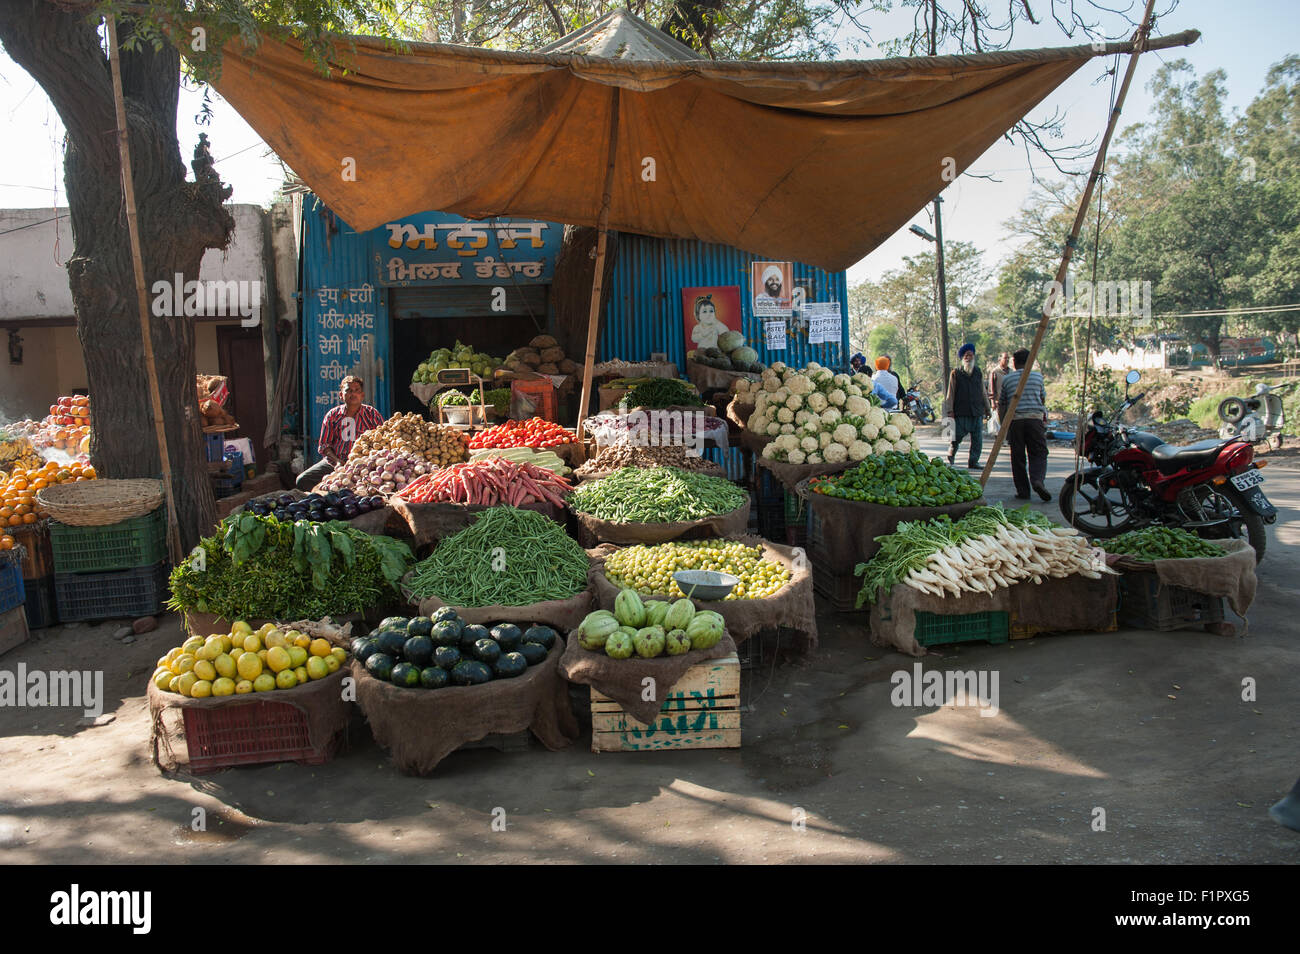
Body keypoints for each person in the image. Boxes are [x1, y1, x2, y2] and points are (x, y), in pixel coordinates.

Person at [297, 375, 385, 491]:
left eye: (356, 390)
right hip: (334, 464)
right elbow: (325, 445)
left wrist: (367, 461)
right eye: (348, 391)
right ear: (341, 395)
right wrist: (337, 461)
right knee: (303, 480)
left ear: (362, 395)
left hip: (364, 465)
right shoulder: (333, 415)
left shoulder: (372, 414)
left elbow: (383, 441)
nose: (353, 394)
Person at [999, 349, 1051, 501]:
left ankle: (1023, 491)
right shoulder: (1037, 377)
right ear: (1030, 362)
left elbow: (1002, 404)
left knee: (1017, 456)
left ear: (1014, 362)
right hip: (1035, 419)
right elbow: (1042, 399)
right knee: (1039, 452)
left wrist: (1004, 425)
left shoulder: (1007, 379)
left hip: (1015, 421)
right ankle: (1037, 480)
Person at [942, 343, 991, 468]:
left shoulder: (978, 372)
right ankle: (952, 452)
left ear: (974, 356)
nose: (968, 357)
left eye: (970, 355)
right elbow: (950, 393)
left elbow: (983, 391)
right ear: (962, 358)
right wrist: (950, 411)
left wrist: (987, 408)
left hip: (976, 411)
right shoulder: (956, 373)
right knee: (956, 436)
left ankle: (973, 461)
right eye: (966, 355)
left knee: (977, 440)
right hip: (961, 411)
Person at [988, 351, 1011, 428]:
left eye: (1008, 358)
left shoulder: (1011, 372)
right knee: (998, 425)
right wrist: (993, 402)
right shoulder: (995, 372)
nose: (1007, 360)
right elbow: (991, 389)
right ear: (1000, 359)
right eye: (1005, 358)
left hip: (1009, 402)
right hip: (999, 403)